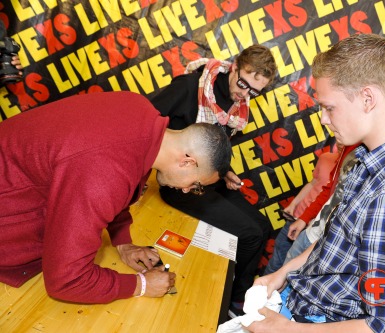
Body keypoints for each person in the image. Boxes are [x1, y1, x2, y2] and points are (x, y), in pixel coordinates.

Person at [245, 33, 385, 332]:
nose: (324, 119)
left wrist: (285, 329)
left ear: (367, 99)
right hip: (299, 306)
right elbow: (334, 244)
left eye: (330, 107)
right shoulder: (368, 160)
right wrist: (284, 273)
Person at [0, 91, 232, 304]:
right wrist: (141, 285)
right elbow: (66, 281)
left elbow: (120, 174)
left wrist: (123, 243)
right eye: (196, 185)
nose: (186, 190)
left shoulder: (140, 109)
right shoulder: (104, 172)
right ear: (187, 162)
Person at [150, 44, 278, 313]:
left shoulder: (237, 106)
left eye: (255, 91)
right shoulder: (190, 87)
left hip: (209, 178)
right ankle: (234, 300)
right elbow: (146, 120)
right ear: (234, 66)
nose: (245, 94)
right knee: (251, 235)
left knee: (263, 227)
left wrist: (225, 171)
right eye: (243, 83)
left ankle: (236, 295)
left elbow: (214, 149)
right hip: (180, 182)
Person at [263, 144, 358, 275]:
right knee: (277, 262)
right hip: (301, 219)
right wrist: (296, 208)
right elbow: (316, 185)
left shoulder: (358, 164)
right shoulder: (327, 158)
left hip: (319, 232)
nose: (340, 141)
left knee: (292, 274)